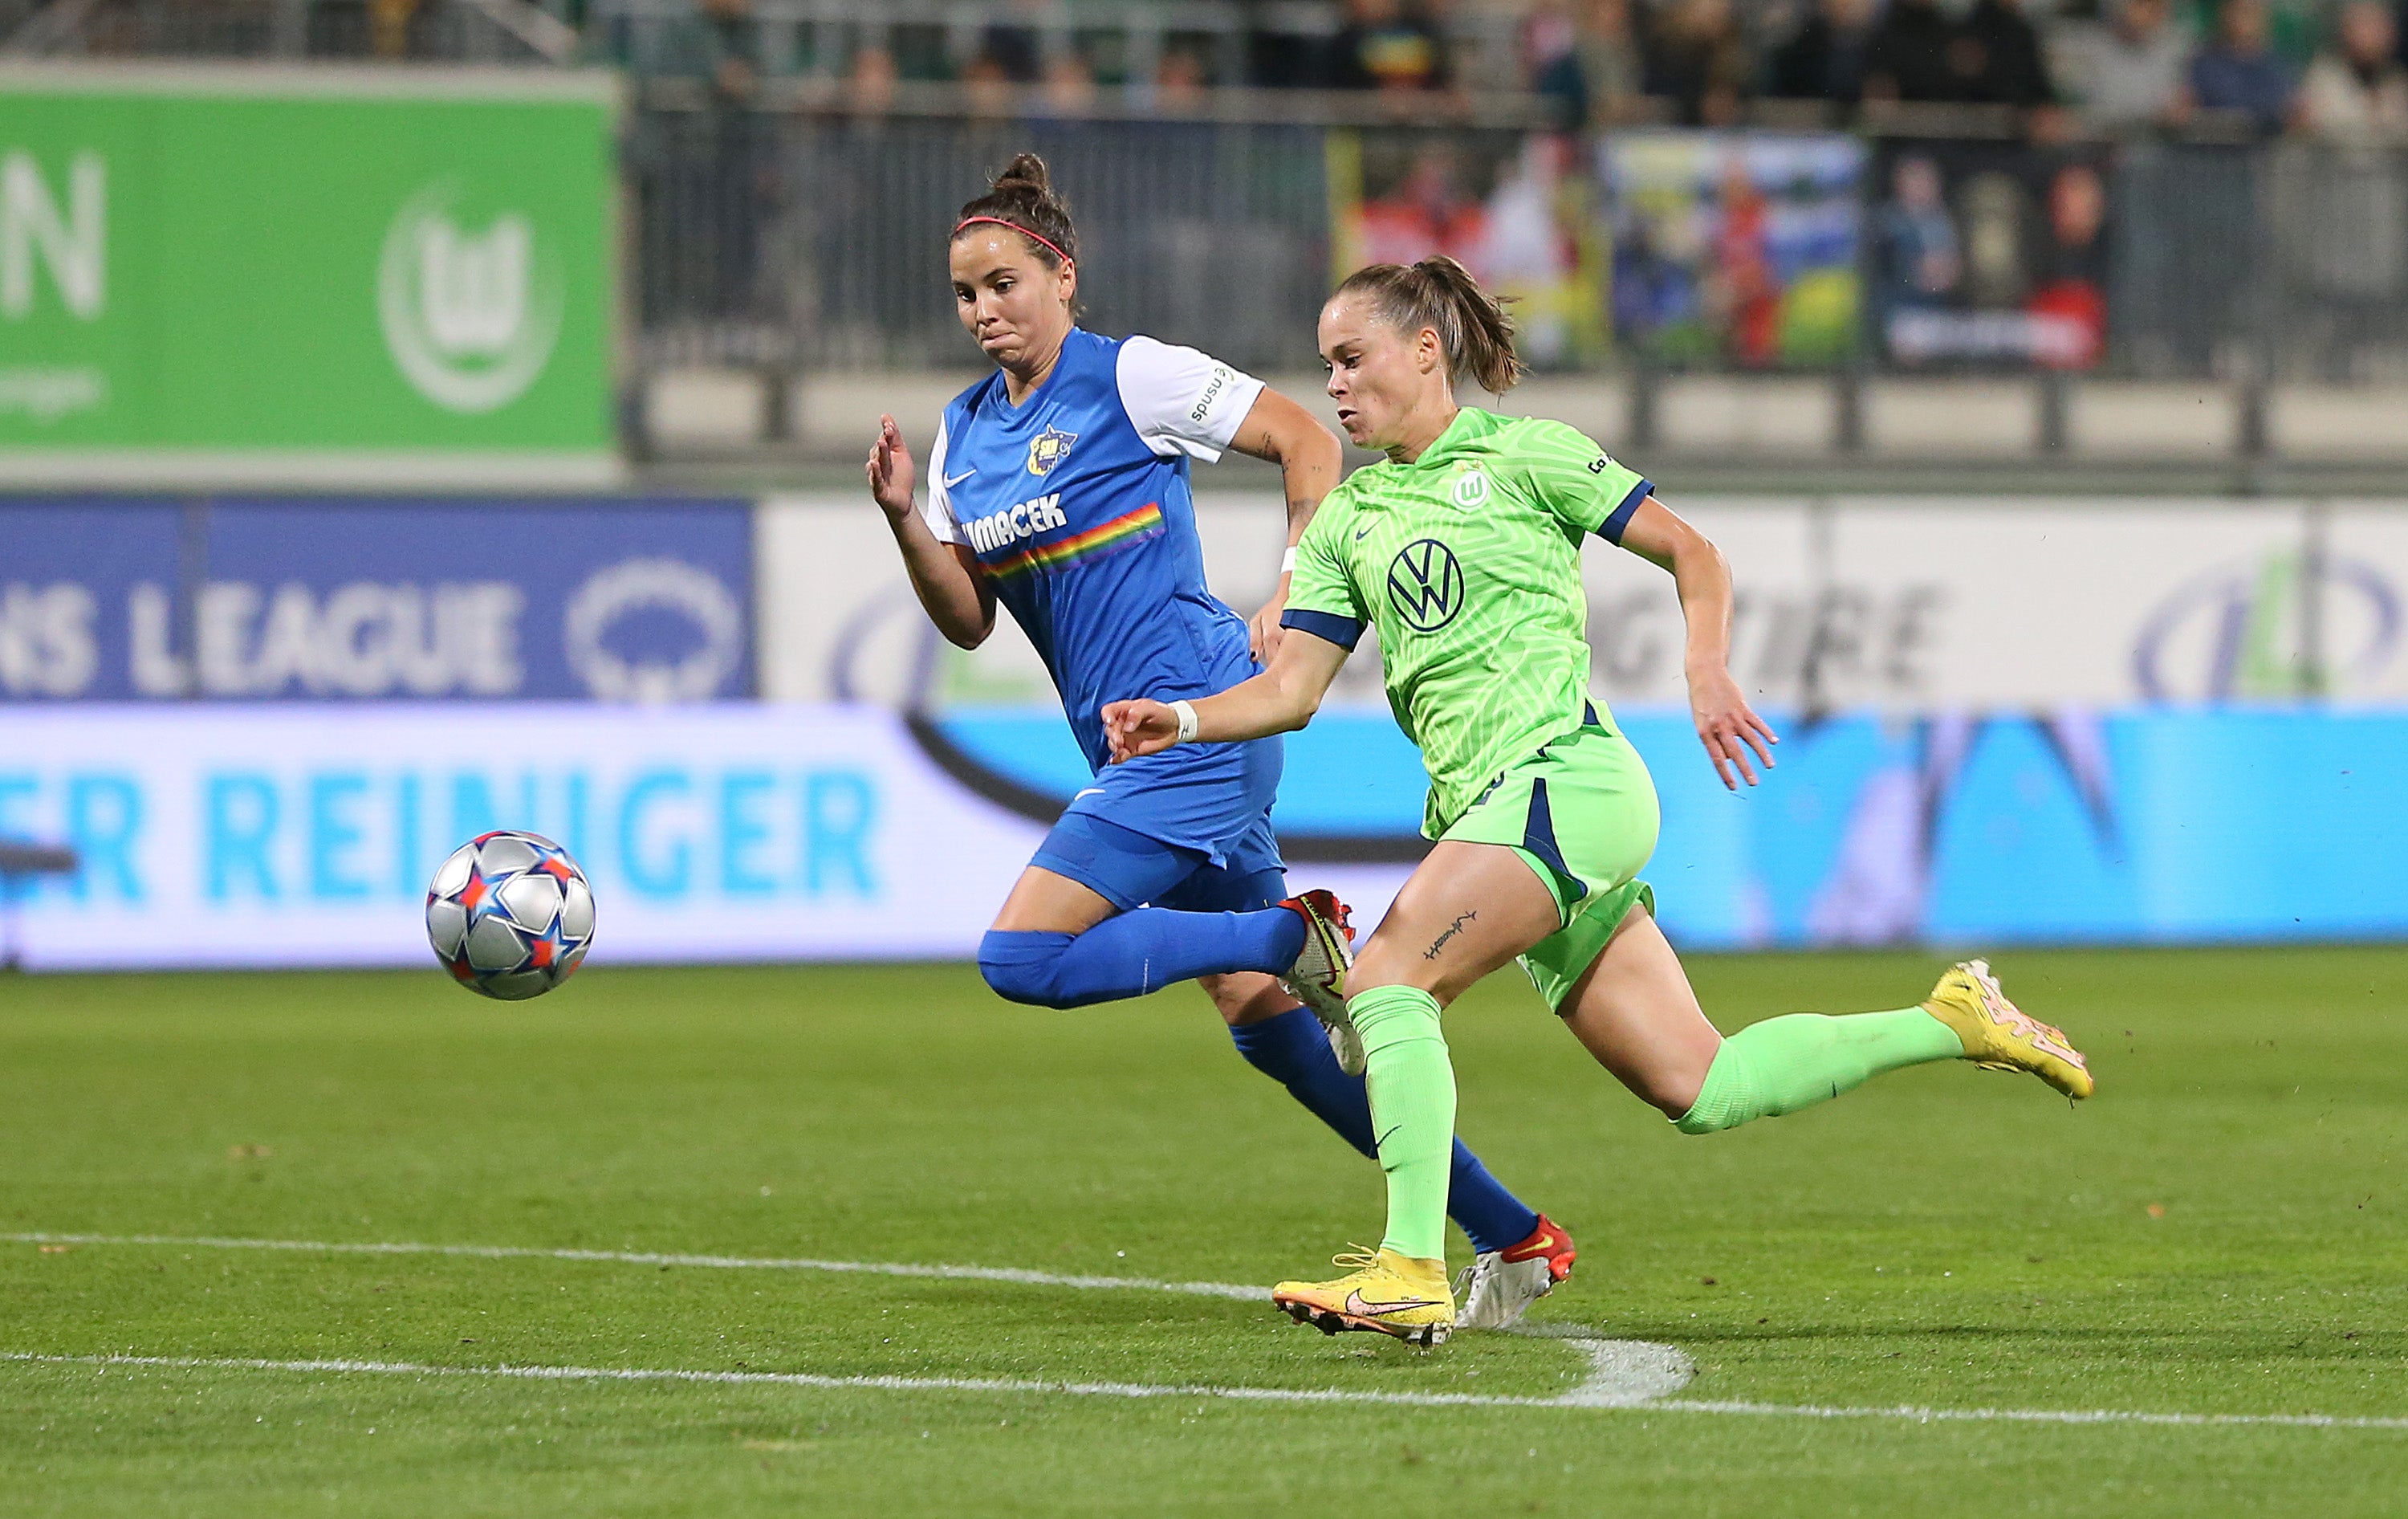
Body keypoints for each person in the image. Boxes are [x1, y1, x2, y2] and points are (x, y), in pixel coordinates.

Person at [1104, 256, 2095, 1346]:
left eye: (1352, 357)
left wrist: (1706, 668)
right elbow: (1293, 690)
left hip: (1564, 782)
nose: (1334, 384)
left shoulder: (1527, 453)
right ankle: (1952, 1019)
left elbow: (1692, 552)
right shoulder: (1350, 519)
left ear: (1426, 349)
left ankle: (1409, 1266)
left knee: (1386, 981)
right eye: (1325, 365)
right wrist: (1182, 719)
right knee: (1703, 1085)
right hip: (1498, 815)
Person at [865, 157, 1578, 1329]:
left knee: (1022, 958)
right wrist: (906, 517)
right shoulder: (961, 437)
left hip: (1199, 720)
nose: (983, 310)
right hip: (1132, 747)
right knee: (1269, 1029)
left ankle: (1293, 935)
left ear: (1062, 277)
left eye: (1003, 284)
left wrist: (1295, 585)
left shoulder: (1129, 375)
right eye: (964, 294)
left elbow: (1307, 442)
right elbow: (969, 618)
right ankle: (1515, 1232)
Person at [2299, 0, 2408, 140]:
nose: (2372, 36)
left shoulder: (2397, 82)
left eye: (2379, 28)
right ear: (2347, 30)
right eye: (2365, 26)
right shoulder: (2324, 78)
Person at [2189, 0, 2296, 135]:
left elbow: (2288, 110)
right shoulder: (2204, 64)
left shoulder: (2277, 67)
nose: (2244, 19)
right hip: (2216, 144)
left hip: (2265, 145)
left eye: (2252, 12)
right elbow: (2188, 107)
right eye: (2239, 11)